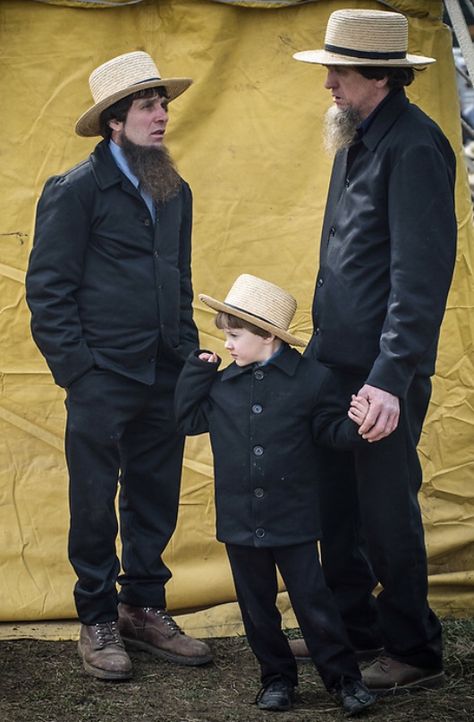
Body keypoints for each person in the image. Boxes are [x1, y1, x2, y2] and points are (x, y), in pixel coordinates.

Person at [25, 51, 212, 680]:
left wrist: (187, 356)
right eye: (147, 107)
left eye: (163, 104)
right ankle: (98, 617)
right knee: (93, 500)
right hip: (101, 375)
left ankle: (143, 607)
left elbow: (179, 280)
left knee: (155, 495)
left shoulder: (174, 189)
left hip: (163, 371)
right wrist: (79, 371)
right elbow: (47, 289)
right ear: (114, 121)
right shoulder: (75, 190)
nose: (162, 116)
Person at [290, 9, 457, 694]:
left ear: (379, 76)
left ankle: (413, 648)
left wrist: (389, 379)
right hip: (334, 362)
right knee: (336, 506)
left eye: (340, 70)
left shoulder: (416, 146)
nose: (328, 82)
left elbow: (420, 278)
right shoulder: (356, 134)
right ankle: (352, 630)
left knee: (386, 507)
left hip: (380, 373)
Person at [174, 274, 377, 716]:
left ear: (267, 335)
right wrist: (199, 368)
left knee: (314, 603)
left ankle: (344, 681)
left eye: (234, 335)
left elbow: (329, 431)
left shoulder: (313, 379)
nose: (227, 345)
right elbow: (186, 420)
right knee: (257, 607)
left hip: (295, 516)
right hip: (240, 518)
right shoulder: (223, 384)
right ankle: (277, 680)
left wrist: (358, 426)